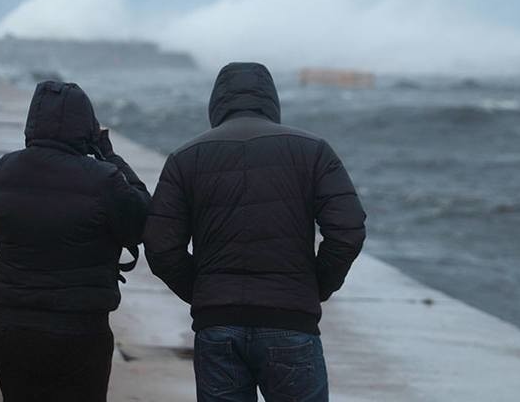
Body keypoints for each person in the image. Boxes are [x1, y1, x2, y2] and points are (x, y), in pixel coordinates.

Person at [144, 62, 366, 402]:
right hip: (291, 321)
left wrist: (206, 293)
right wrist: (315, 287)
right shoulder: (313, 150)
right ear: (271, 100)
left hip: (217, 325)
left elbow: (160, 248)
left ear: (216, 102)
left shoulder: (185, 158)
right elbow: (347, 231)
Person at [0, 81, 150, 402]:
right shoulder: (104, 178)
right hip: (78, 325)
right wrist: (110, 154)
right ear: (85, 125)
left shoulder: (1, 170)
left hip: (9, 321)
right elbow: (141, 220)